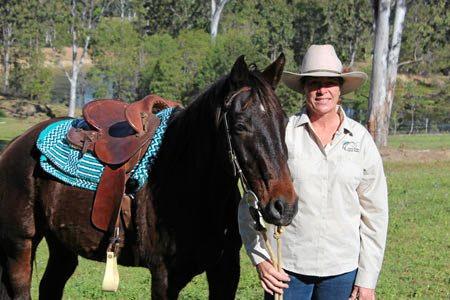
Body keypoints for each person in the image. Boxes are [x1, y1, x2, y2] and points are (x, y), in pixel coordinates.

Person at [238, 44, 388, 300]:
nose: (322, 90)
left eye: (329, 82)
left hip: (342, 271)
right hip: (287, 269)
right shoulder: (283, 135)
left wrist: (367, 281)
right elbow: (250, 201)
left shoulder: (361, 140)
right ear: (304, 89)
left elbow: (375, 213)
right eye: (314, 83)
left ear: (340, 89)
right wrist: (260, 259)